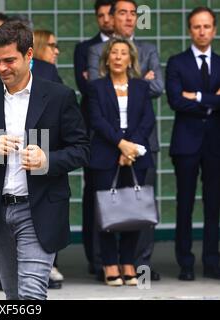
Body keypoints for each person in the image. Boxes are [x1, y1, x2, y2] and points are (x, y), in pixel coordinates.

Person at [0, 21, 89, 300]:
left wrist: (48, 159)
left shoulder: (58, 96)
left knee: (32, 295)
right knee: (13, 296)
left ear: (29, 55)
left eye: (9, 60)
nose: (2, 68)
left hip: (39, 208)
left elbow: (81, 148)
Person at [87, 0, 163, 281]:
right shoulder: (96, 88)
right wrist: (121, 144)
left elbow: (146, 120)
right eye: (114, 53)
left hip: (137, 153)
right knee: (107, 210)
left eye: (123, 53)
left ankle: (129, 264)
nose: (118, 57)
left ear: (131, 59)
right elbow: (97, 121)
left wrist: (131, 147)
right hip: (106, 154)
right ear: (107, 59)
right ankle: (109, 264)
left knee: (133, 209)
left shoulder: (142, 87)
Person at [166, 7, 220, 281]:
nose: (202, 32)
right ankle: (185, 262)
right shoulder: (177, 62)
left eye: (207, 26)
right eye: (197, 27)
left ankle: (212, 261)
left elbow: (187, 100)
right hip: (186, 144)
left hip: (215, 145)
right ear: (189, 30)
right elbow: (175, 100)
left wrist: (196, 96)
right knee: (184, 204)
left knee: (214, 205)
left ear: (215, 29)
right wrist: (211, 99)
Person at [73, 0, 114, 276]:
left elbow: (145, 86)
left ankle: (128, 260)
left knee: (128, 195)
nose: (106, 20)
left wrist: (100, 79)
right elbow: (86, 87)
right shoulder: (84, 49)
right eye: (100, 15)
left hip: (129, 133)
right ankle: (97, 258)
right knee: (95, 194)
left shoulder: (135, 47)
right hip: (95, 132)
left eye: (110, 14)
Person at [32, 28, 65, 288]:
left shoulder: (49, 73)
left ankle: (46, 267)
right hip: (39, 152)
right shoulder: (47, 71)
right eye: (52, 45)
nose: (56, 50)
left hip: (43, 152)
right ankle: (46, 268)